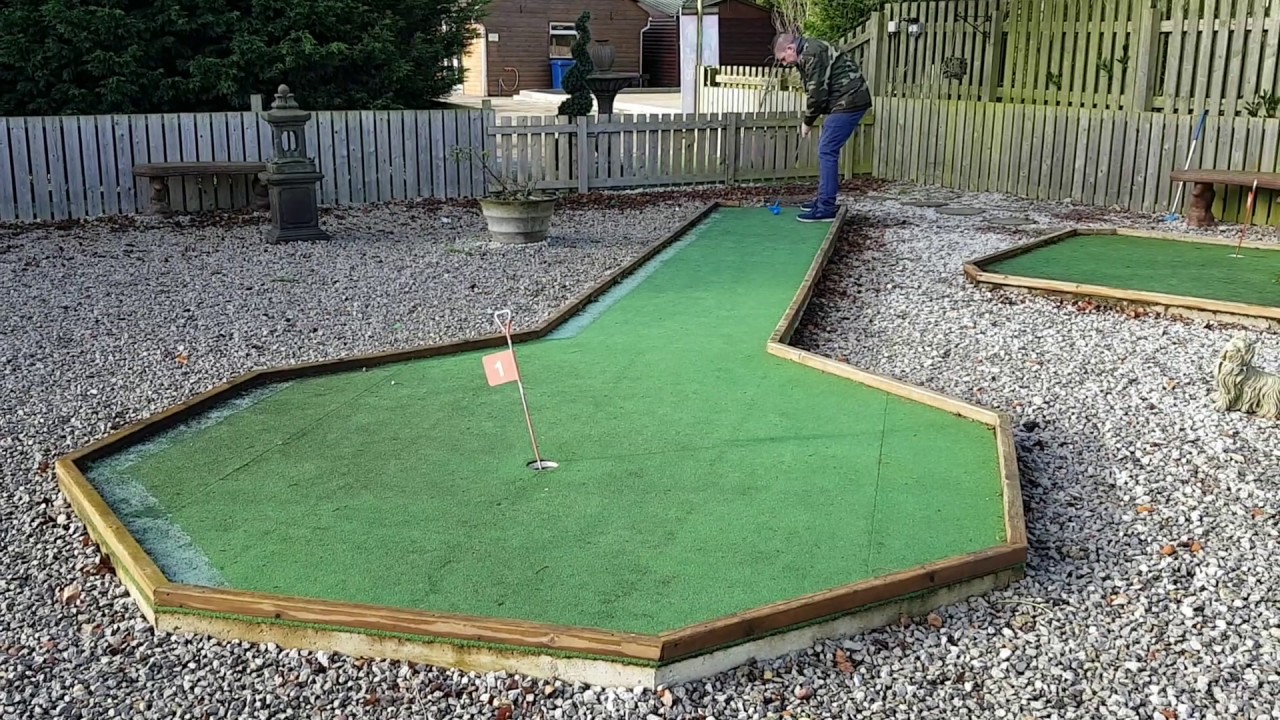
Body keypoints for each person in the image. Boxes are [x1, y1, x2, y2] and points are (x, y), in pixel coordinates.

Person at [772, 32, 873, 222]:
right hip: (843, 101)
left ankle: (826, 207)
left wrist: (807, 122)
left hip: (849, 101)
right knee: (827, 149)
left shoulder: (812, 53)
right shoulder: (806, 53)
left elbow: (817, 94)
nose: (785, 64)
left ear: (790, 48)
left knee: (827, 150)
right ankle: (823, 201)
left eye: (784, 59)